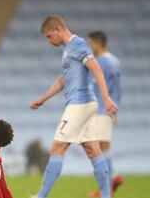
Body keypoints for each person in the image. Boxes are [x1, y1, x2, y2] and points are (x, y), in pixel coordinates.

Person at [29, 15, 118, 198]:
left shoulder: (77, 44)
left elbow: (96, 68)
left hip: (80, 104)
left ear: (58, 30)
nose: (49, 41)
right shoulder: (68, 49)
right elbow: (63, 80)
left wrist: (106, 98)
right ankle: (106, 195)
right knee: (93, 149)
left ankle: (40, 196)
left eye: (48, 36)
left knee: (56, 148)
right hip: (85, 104)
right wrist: (43, 98)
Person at [87, 31, 122, 197]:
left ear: (97, 43)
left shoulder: (100, 62)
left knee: (98, 148)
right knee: (103, 146)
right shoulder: (115, 61)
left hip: (100, 109)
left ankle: (109, 183)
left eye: (90, 43)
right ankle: (109, 184)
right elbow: (117, 90)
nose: (90, 46)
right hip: (110, 108)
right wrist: (116, 111)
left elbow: (96, 86)